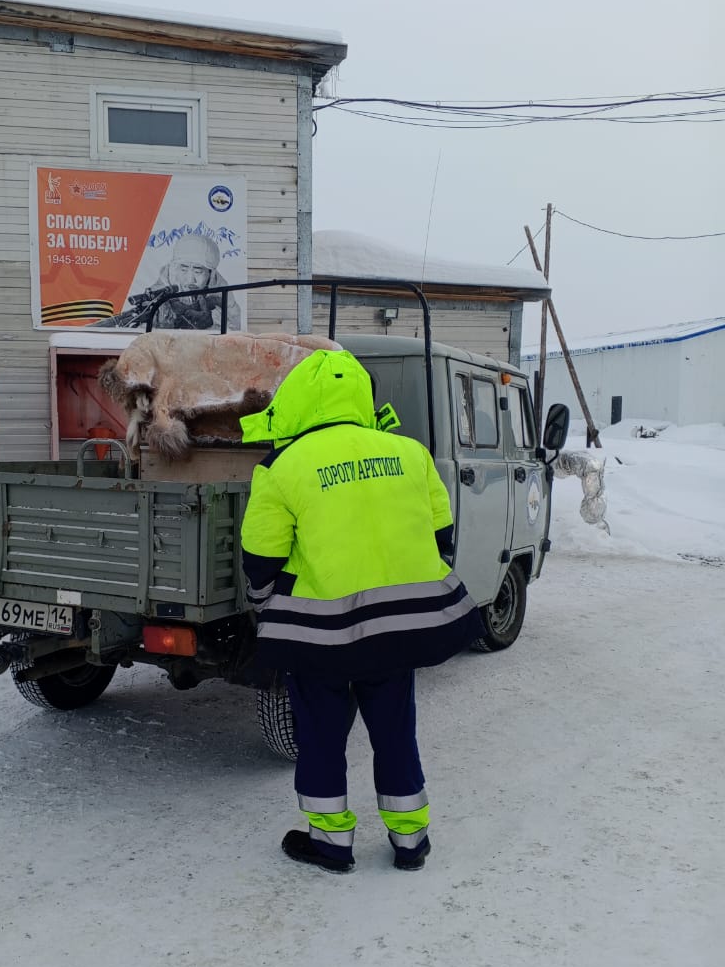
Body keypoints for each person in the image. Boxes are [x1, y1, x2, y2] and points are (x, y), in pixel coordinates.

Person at [239, 348, 483, 874]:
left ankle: (330, 845)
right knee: (396, 732)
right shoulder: (409, 452)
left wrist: (268, 605)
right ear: (361, 397)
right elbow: (442, 534)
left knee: (323, 738)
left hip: (319, 639)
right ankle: (410, 842)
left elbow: (260, 557)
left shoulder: (282, 467)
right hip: (398, 632)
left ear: (298, 401)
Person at [107, 233, 242, 331]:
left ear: (210, 273)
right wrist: (162, 328)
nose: (190, 279)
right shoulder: (164, 285)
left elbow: (234, 327)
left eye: (198, 271)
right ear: (175, 268)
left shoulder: (219, 287)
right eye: (184, 269)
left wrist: (211, 323)